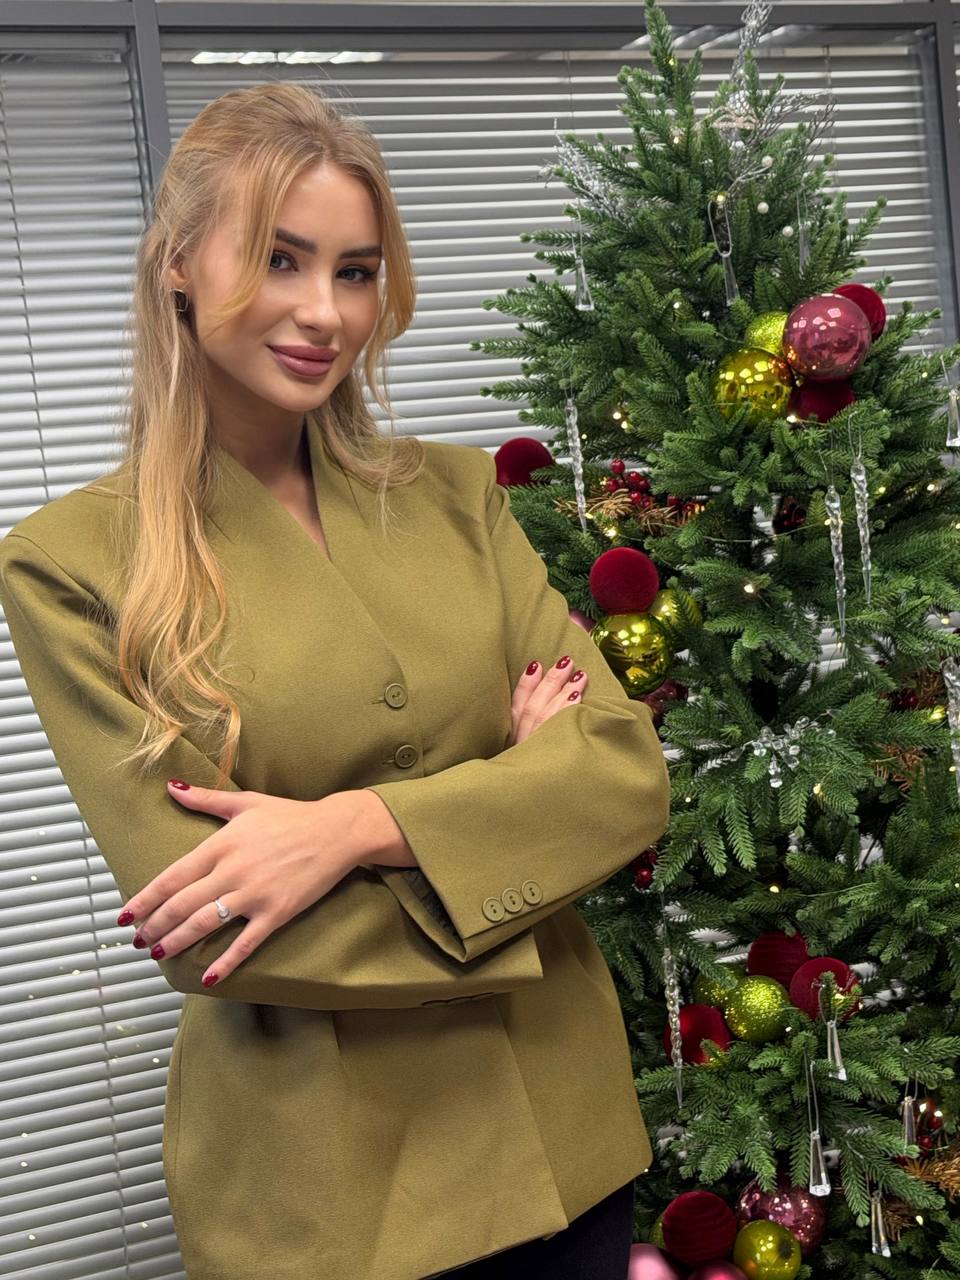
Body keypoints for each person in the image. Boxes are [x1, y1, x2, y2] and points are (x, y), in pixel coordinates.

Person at [0, 82, 672, 1279]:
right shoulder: (72, 566)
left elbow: (621, 773)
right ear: (178, 264)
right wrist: (516, 809)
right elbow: (210, 926)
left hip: (560, 1140)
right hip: (325, 1197)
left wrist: (349, 827)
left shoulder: (459, 496)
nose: (326, 311)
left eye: (355, 271)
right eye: (279, 257)